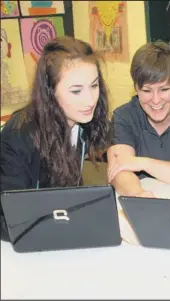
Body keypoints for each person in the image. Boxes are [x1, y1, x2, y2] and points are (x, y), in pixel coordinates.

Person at [0, 36, 111, 241]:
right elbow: (12, 218)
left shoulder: (81, 123)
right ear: (50, 92)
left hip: (55, 233)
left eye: (94, 86)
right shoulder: (18, 136)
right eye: (76, 91)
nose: (90, 100)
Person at [107, 42, 170, 198]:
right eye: (147, 90)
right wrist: (139, 194)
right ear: (136, 87)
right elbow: (118, 172)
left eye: (164, 89)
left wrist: (143, 163)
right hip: (145, 200)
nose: (156, 100)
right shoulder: (123, 116)